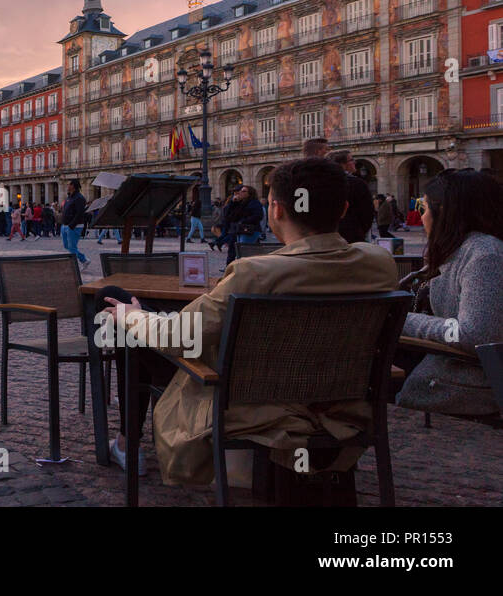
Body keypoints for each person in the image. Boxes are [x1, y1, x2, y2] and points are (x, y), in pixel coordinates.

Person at [98, 157, 398, 484]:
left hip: (250, 401)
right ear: (342, 210)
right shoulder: (379, 264)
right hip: (337, 404)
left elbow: (178, 336)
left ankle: (128, 443)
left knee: (130, 326)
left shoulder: (256, 273)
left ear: (276, 210)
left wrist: (134, 316)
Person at [396, 169, 503, 416]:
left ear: (445, 212)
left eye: (424, 208)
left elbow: (475, 333)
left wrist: (402, 320)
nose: (421, 217)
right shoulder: (461, 250)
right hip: (443, 373)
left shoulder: (485, 255)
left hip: (465, 387)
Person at [329, 148, 375, 244]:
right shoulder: (356, 183)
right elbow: (367, 213)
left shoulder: (320, 183)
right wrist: (359, 231)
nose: (355, 162)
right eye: (351, 160)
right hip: (352, 235)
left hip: (327, 235)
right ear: (342, 164)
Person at [60, 179, 89, 270]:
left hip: (74, 226)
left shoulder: (79, 198)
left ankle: (75, 266)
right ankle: (84, 259)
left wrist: (71, 225)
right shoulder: (69, 197)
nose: (67, 186)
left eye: (68, 184)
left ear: (73, 186)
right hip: (65, 225)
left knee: (72, 248)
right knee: (67, 246)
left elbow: (80, 213)